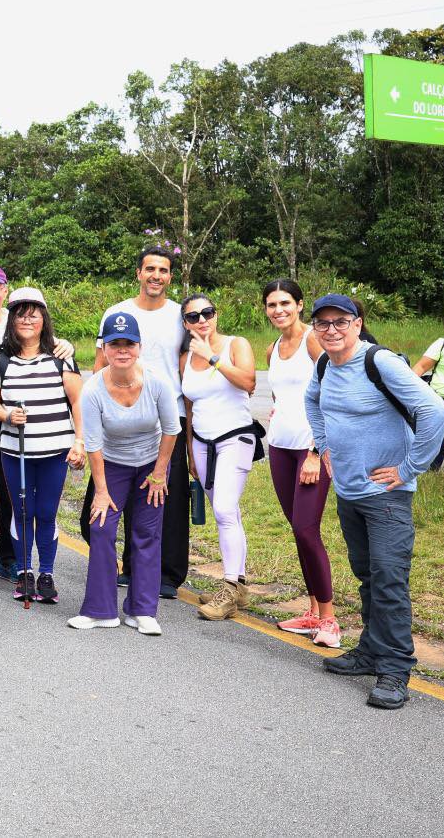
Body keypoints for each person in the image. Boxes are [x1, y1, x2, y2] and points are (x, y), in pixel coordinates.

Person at [305, 294, 444, 711]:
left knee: (388, 578)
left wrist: (408, 468)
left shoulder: (379, 362)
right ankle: (369, 651)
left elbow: (434, 411)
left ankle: (395, 668)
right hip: (348, 490)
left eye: (340, 321)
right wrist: (324, 444)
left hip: (387, 495)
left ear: (357, 323)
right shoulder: (325, 363)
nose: (331, 329)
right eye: (322, 322)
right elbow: (312, 402)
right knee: (367, 574)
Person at [80, 247, 191, 600]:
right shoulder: (117, 313)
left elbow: (189, 364)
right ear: (139, 273)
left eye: (164, 270)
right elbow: (99, 364)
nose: (156, 275)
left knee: (162, 502)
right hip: (117, 417)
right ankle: (120, 564)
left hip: (166, 419)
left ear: (170, 276)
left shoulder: (180, 315)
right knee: (101, 505)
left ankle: (165, 576)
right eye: (150, 269)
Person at [68, 311, 179, 635]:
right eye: (115, 343)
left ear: (138, 347)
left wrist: (160, 473)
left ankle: (141, 610)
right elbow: (94, 444)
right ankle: (100, 609)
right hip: (112, 465)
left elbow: (171, 430)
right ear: (104, 347)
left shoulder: (157, 382)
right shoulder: (93, 390)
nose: (122, 350)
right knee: (101, 527)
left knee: (146, 532)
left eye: (128, 343)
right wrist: (101, 491)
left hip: (151, 464)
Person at [0, 287, 84, 604]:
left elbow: (78, 400)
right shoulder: (0, 359)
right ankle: (25, 571)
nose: (27, 319)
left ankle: (47, 573)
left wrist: (79, 442)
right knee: (23, 512)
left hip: (55, 452)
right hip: (16, 452)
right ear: (11, 320)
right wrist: (6, 414)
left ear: (44, 318)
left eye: (33, 313)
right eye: (20, 313)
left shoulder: (61, 358)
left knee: (47, 512)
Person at [261, 279, 339, 647]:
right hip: (279, 446)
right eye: (272, 304)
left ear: (300, 305)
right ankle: (311, 611)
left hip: (311, 451)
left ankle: (329, 619)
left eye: (285, 303)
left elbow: (331, 396)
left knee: (308, 529)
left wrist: (313, 451)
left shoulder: (313, 340)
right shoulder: (272, 348)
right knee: (297, 529)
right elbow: (282, 395)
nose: (279, 310)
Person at [179, 293, 259, 622]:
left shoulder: (235, 344)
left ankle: (227, 590)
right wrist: (190, 451)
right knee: (224, 511)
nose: (202, 321)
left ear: (216, 314)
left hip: (235, 438)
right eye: (193, 317)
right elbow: (189, 404)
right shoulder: (185, 357)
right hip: (201, 441)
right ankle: (237, 584)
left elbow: (249, 382)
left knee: (225, 509)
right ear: (185, 323)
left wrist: (212, 357)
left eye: (207, 313)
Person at [413, 335, 444, 472]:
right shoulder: (443, 343)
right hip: (440, 399)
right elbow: (421, 366)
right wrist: (406, 388)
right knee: (442, 442)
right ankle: (429, 474)